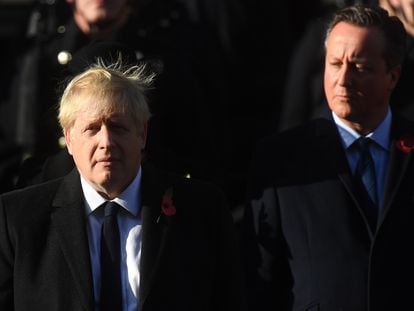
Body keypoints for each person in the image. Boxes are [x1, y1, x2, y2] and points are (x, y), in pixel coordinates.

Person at [0, 59, 245, 310]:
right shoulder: (19, 220)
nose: (106, 141)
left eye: (118, 127)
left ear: (142, 135)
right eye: (92, 129)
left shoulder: (202, 210)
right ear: (69, 139)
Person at [244, 4, 414, 310]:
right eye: (335, 64)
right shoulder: (282, 160)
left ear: (392, 76)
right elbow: (260, 282)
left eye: (360, 67)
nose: (343, 79)